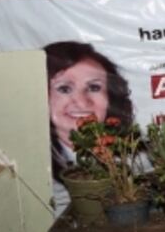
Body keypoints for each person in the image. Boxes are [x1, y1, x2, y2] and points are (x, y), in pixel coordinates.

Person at [45, 41, 134, 214]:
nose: (81, 101)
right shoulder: (23, 167)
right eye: (64, 89)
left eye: (94, 87)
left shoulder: (139, 157)